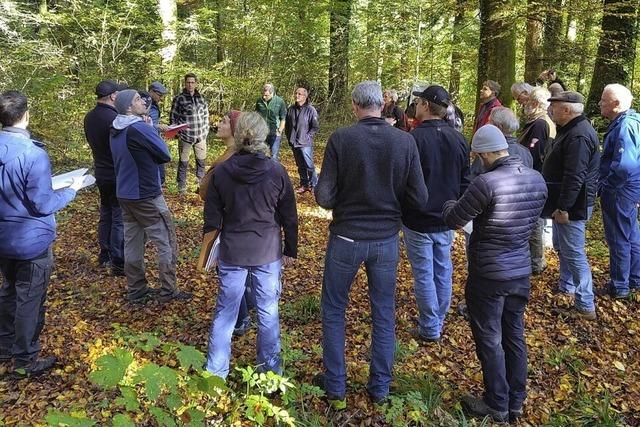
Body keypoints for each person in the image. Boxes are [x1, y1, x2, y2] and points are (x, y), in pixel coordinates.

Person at [314, 81, 429, 409]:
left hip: (347, 238)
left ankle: (336, 387)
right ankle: (379, 387)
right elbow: (419, 198)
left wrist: (346, 197)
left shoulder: (341, 139)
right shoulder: (404, 142)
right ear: (382, 104)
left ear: (355, 105)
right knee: (383, 311)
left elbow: (324, 196)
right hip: (385, 240)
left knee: (335, 309)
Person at [442, 124, 547, 424]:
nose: (476, 159)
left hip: (488, 274)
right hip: (519, 272)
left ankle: (496, 402)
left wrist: (450, 202)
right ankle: (517, 401)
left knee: (489, 338)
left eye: (477, 154)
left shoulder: (486, 183)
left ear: (486, 153)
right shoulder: (536, 179)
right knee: (514, 334)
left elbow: (454, 218)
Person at [203, 112, 298, 378]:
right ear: (263, 135)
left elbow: (212, 218)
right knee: (268, 311)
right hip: (266, 250)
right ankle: (270, 372)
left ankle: (215, 373)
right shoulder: (276, 171)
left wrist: (212, 251)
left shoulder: (221, 171)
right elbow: (289, 215)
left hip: (234, 250)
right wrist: (290, 248)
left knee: (226, 312)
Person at [0, 91, 85, 376]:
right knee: (29, 297)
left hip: (4, 237)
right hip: (30, 240)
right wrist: (71, 189)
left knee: (10, 290)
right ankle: (24, 360)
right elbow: (42, 203)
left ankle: (4, 347)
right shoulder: (34, 154)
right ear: (25, 115)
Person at [402, 85, 470, 343]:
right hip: (446, 218)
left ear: (427, 106)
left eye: (418, 102)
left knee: (425, 274)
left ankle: (431, 326)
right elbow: (466, 181)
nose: (415, 106)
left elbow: (404, 180)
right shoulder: (458, 138)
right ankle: (437, 319)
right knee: (442, 269)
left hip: (420, 218)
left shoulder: (414, 139)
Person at [111, 89, 192, 304]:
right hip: (146, 194)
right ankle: (168, 290)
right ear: (129, 107)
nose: (143, 101)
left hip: (125, 194)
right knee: (166, 239)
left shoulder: (116, 127)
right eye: (138, 99)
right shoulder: (138, 128)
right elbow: (164, 154)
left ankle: (136, 289)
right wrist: (150, 130)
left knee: (133, 242)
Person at [542, 91, 600, 319]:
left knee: (574, 252)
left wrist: (565, 207)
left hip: (573, 206)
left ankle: (585, 305)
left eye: (554, 106)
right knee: (562, 245)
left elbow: (576, 176)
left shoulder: (579, 136)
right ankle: (567, 287)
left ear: (567, 110)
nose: (551, 110)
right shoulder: (571, 130)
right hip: (564, 203)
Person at [198, 110, 254, 336]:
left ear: (234, 129)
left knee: (230, 272)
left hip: (227, 225)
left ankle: (240, 319)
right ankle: (246, 308)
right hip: (239, 224)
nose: (218, 124)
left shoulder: (230, 160)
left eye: (223, 121)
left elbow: (208, 191)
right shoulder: (233, 155)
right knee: (242, 269)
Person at [598, 84, 640, 299]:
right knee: (630, 234)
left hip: (621, 191)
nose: (599, 104)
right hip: (629, 190)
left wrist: (607, 185)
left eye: (603, 100)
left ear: (616, 104)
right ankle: (633, 279)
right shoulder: (631, 123)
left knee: (619, 237)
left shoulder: (626, 126)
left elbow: (624, 165)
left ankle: (620, 286)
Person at [84, 79, 127, 276]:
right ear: (112, 96)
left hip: (100, 173)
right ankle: (118, 260)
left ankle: (104, 254)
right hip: (116, 173)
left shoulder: (89, 117)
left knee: (106, 213)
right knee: (117, 216)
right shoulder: (115, 118)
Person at [519, 87, 556, 274]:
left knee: (534, 223)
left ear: (535, 103)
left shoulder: (541, 124)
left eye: (527, 101)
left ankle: (536, 262)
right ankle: (533, 260)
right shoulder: (537, 122)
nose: (524, 105)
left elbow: (534, 153)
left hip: (533, 179)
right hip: (533, 178)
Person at [170, 73, 210, 195]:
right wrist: (177, 133)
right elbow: (173, 117)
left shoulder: (201, 98)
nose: (190, 84)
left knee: (201, 162)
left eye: (192, 82)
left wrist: (205, 131)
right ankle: (181, 188)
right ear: (185, 83)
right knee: (183, 163)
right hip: (185, 136)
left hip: (200, 136)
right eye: (188, 82)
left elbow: (205, 116)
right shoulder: (179, 98)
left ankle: (201, 187)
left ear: (196, 83)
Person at [471, 107, 533, 177]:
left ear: (499, 127)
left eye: (489, 121)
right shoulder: (526, 153)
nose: (487, 123)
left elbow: (473, 178)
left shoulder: (487, 152)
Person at [285, 87, 320, 193]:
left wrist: (308, 136)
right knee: (300, 166)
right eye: (296, 93)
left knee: (309, 165)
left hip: (305, 143)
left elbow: (315, 127)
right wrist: (289, 137)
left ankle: (314, 185)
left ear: (305, 96)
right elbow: (287, 126)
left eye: (299, 94)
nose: (297, 95)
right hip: (294, 142)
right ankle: (304, 184)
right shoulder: (291, 109)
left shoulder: (310, 110)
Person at [255, 83, 287, 161]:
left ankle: (273, 172)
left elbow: (283, 118)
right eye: (263, 94)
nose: (264, 97)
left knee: (274, 155)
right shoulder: (259, 101)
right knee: (260, 153)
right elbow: (256, 115)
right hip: (262, 132)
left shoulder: (280, 101)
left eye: (266, 95)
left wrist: (280, 130)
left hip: (274, 132)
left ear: (272, 93)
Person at [148, 81, 169, 185]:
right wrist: (158, 127)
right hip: (149, 140)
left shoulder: (154, 104)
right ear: (151, 91)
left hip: (155, 137)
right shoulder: (144, 104)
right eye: (159, 95)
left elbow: (151, 121)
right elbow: (142, 124)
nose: (161, 98)